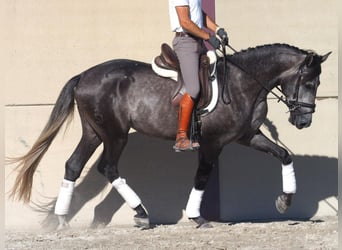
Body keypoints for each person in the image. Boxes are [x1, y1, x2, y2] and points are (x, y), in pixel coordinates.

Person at [169, 0, 228, 152]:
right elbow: (185, 21)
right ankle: (181, 136)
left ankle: (200, 128)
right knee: (194, 89)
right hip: (185, 42)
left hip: (197, 41)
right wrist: (208, 37)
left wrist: (217, 29)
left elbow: (199, 14)